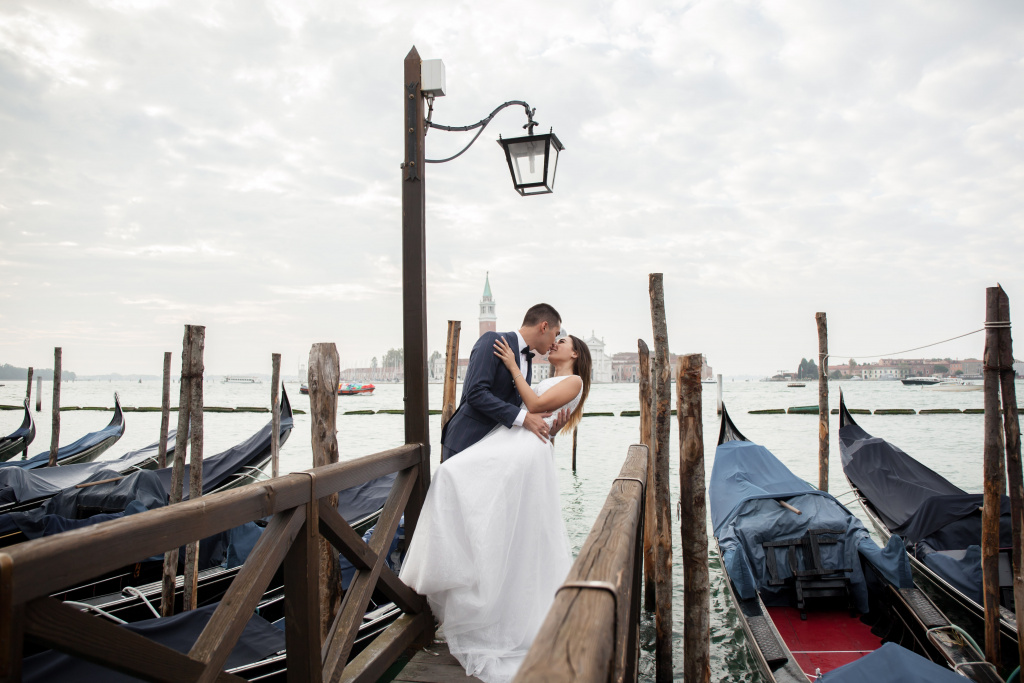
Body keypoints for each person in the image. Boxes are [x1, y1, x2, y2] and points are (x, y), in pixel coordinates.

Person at [399, 333, 593, 683]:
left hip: (526, 448)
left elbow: (534, 404)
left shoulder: (575, 380)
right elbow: (535, 409)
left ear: (576, 353)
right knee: (471, 496)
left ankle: (470, 585)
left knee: (453, 476)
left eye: (562, 340)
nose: (555, 343)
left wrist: (512, 365)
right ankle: (464, 572)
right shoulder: (554, 377)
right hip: (520, 442)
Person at [439, 304, 566, 462]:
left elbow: (518, 405)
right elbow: (475, 393)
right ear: (544, 327)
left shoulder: (528, 360)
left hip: (495, 449)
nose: (554, 343)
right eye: (556, 334)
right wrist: (525, 418)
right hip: (466, 441)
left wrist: (550, 428)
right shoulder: (492, 340)